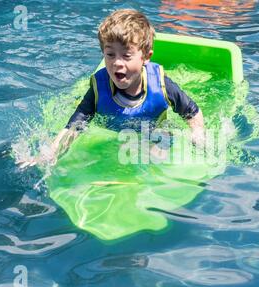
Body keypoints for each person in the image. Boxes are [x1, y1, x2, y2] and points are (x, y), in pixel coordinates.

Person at [18, 9, 205, 168]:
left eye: (126, 55)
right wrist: (51, 153)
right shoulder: (99, 88)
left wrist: (197, 132)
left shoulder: (161, 84)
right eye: (110, 54)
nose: (117, 63)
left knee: (157, 152)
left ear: (146, 57)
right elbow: (74, 126)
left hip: (153, 129)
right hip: (112, 133)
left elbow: (192, 111)